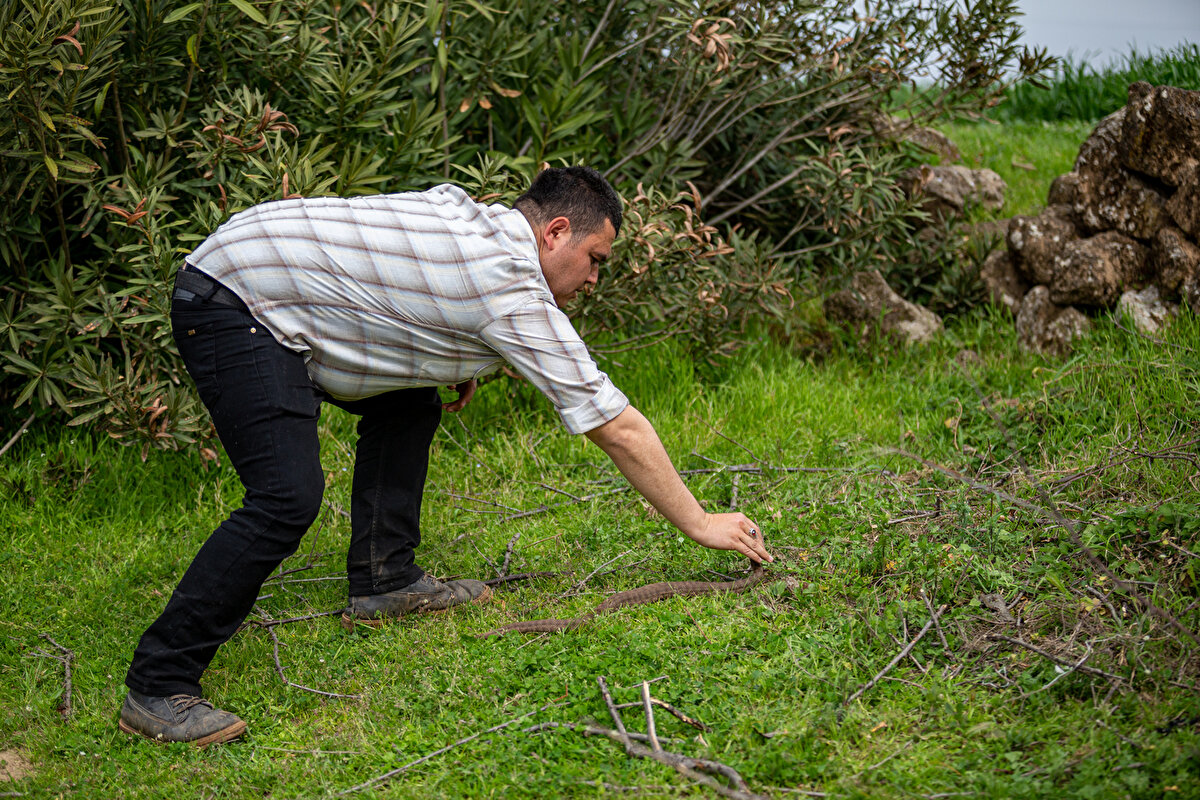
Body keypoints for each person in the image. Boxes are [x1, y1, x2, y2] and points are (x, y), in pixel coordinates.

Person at [118, 166, 772, 745]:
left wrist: (444, 358)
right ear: (556, 233)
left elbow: (398, 286)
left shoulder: (479, 223)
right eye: (595, 258)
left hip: (253, 267)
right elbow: (614, 425)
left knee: (410, 401)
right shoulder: (506, 283)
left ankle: (385, 579)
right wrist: (698, 521)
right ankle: (159, 684)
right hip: (233, 296)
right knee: (286, 495)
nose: (595, 277)